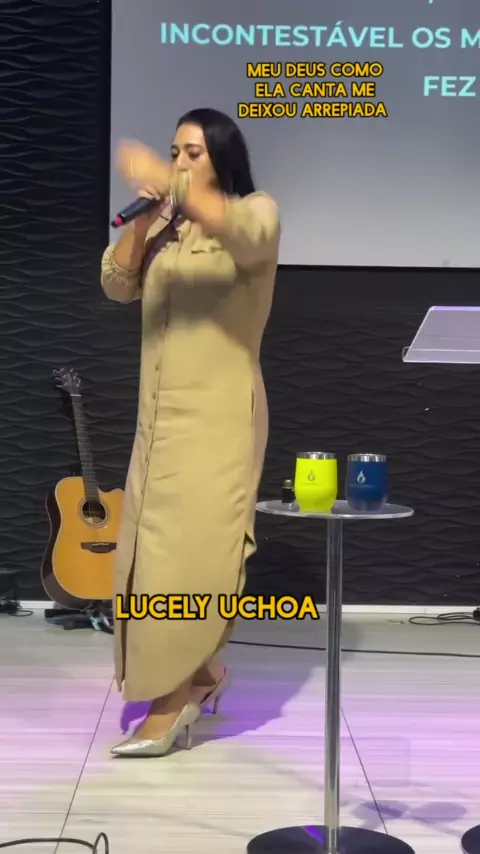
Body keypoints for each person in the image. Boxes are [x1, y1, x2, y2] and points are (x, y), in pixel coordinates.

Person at [100, 107, 280, 757]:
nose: (179, 162)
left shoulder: (255, 212)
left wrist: (167, 181)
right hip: (158, 421)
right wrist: (144, 218)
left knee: (191, 557)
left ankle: (171, 700)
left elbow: (243, 237)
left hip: (219, 418)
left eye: (193, 153)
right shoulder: (165, 227)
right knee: (147, 557)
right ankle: (202, 674)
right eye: (174, 151)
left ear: (222, 158)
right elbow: (117, 284)